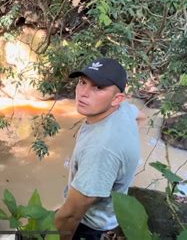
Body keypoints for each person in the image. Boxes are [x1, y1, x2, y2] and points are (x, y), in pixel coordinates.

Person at [55, 58, 147, 240]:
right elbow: (142, 117)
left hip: (91, 227)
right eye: (82, 83)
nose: (83, 93)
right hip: (112, 210)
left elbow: (71, 215)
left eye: (98, 88)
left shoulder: (101, 150)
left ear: (117, 99)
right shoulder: (125, 110)